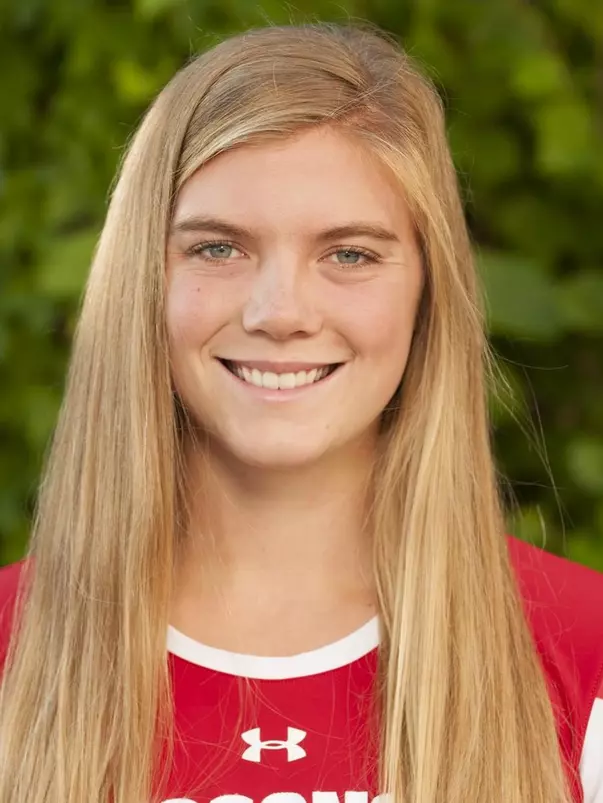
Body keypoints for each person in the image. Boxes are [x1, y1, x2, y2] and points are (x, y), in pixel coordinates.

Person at [0, 21, 601, 803]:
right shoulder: (13, 651)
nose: (280, 312)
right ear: (140, 280)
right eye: (217, 248)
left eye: (349, 253)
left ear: (428, 292)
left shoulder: (584, 652)